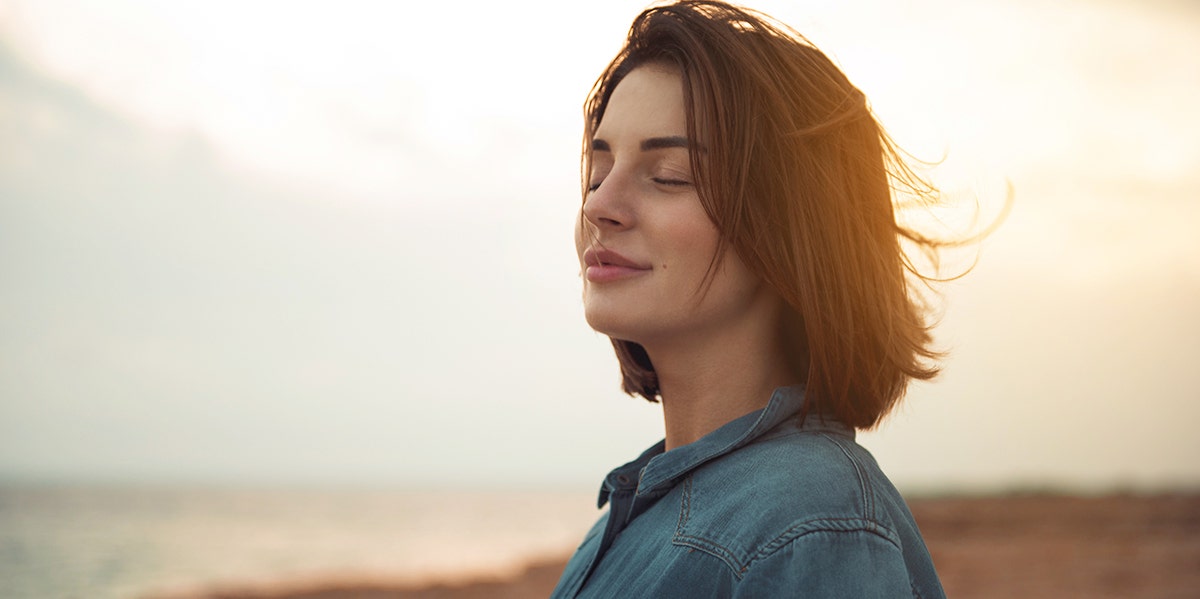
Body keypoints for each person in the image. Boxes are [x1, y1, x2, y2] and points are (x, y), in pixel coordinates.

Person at [552, 1, 952, 597]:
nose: (598, 204)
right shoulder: (625, 520)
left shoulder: (811, 525)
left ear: (792, 227)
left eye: (667, 176)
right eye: (597, 171)